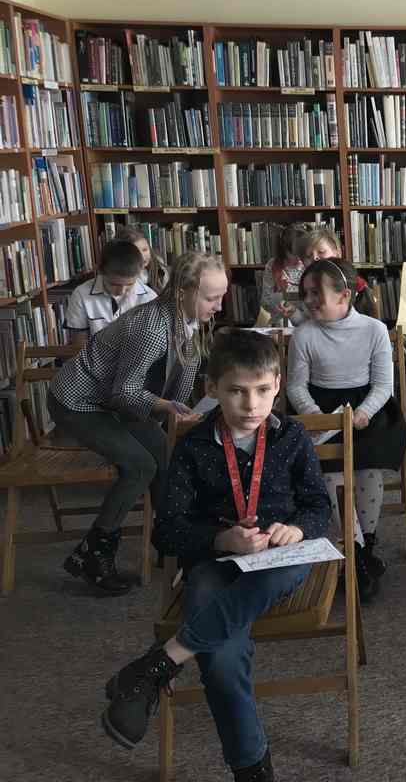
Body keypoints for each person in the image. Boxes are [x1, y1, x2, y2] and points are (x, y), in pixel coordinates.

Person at [99, 329, 331, 782]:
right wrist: (223, 540)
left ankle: (160, 662)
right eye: (237, 391)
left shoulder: (292, 436)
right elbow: (167, 532)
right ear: (212, 388)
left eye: (262, 390)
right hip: (214, 561)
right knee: (220, 657)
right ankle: (251, 768)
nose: (251, 404)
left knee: (277, 574)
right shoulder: (193, 446)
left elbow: (319, 506)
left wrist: (297, 528)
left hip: (280, 558)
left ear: (278, 385)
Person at [48, 251, 226, 595]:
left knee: (167, 457)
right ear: (183, 293)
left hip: (112, 402)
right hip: (77, 402)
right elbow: (124, 392)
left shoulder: (186, 319)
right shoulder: (152, 328)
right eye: (211, 298)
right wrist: (170, 408)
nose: (219, 306)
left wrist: (179, 412)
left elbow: (178, 381)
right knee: (141, 466)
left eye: (221, 296)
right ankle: (93, 555)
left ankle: (171, 542)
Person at [286, 257, 406, 602]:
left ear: (344, 295)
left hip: (367, 408)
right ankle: (355, 551)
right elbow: (296, 386)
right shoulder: (303, 335)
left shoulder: (374, 330)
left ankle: (365, 546)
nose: (309, 300)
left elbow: (383, 386)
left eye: (316, 293)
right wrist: (315, 415)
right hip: (321, 407)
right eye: (305, 293)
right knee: (331, 470)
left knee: (367, 465)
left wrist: (364, 412)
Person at [64, 239, 156, 347]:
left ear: (139, 273)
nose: (121, 291)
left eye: (129, 284)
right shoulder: (81, 295)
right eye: (114, 284)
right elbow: (79, 344)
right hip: (94, 356)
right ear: (100, 271)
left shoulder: (150, 298)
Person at [300, 226, 380, 319]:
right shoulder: (306, 285)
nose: (315, 258)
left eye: (321, 252)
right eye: (308, 256)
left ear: (337, 253)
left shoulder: (351, 283)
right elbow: (308, 320)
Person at [258, 223, 309, 327]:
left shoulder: (309, 265)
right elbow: (265, 301)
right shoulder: (273, 265)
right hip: (280, 320)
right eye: (294, 253)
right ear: (284, 250)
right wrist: (283, 300)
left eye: (302, 252)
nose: (299, 257)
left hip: (306, 320)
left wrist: (286, 295)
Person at [117, 227, 170, 293]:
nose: (142, 256)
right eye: (136, 252)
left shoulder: (159, 268)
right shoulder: (120, 277)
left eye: (145, 250)